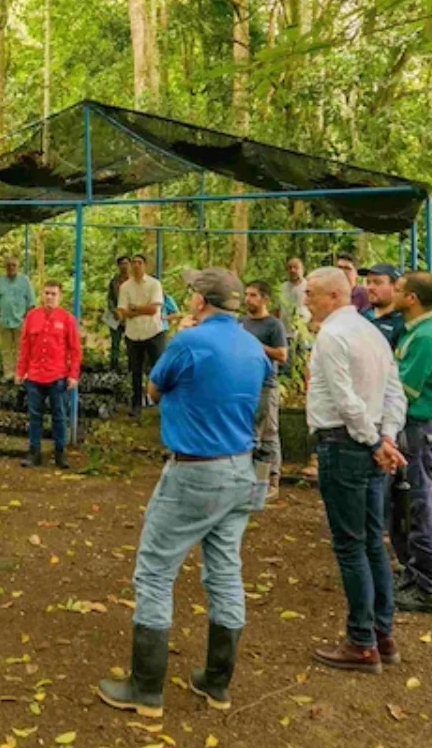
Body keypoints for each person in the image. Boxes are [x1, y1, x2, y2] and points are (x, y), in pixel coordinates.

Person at [97, 268, 268, 718]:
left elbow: (153, 388)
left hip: (194, 470)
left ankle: (147, 689)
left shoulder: (190, 343)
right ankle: (217, 683)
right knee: (225, 571)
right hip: (240, 470)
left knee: (155, 571)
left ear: (200, 301)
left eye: (192, 293)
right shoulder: (253, 345)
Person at [303, 267, 408, 675]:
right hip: (369, 445)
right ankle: (383, 633)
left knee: (351, 544)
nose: (306, 299)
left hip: (345, 446)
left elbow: (346, 401)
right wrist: (387, 437)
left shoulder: (333, 335)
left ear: (333, 295)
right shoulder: (372, 333)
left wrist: (374, 440)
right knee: (371, 542)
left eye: (311, 293)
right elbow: (393, 392)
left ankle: (362, 641)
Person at [391, 272, 432, 614]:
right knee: (403, 507)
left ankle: (429, 588)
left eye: (399, 290)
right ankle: (412, 573)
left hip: (420, 430)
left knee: (420, 506)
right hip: (410, 429)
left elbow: (403, 388)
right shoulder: (414, 332)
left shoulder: (427, 338)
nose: (393, 293)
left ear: (412, 298)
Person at [15, 282, 82, 468]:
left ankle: (60, 453)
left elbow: (75, 349)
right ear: (41, 295)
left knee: (59, 416)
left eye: (53, 294)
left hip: (57, 375)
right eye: (46, 293)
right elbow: (25, 346)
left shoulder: (67, 319)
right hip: (35, 376)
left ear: (60, 296)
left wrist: (73, 375)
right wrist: (21, 371)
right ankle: (34, 452)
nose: (50, 297)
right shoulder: (32, 317)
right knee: (34, 416)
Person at [241, 280, 289, 501]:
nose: (248, 299)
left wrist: (254, 345)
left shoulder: (273, 325)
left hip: (265, 386)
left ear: (265, 299)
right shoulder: (242, 322)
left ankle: (271, 481)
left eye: (253, 295)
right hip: (244, 385)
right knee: (249, 434)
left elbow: (282, 354)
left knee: (268, 436)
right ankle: (253, 481)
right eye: (247, 294)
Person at [118, 254, 168, 412]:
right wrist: (140, 310)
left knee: (158, 368)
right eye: (134, 263)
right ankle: (137, 403)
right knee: (135, 370)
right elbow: (121, 312)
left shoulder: (154, 284)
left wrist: (134, 309)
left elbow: (154, 309)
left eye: (139, 262)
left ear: (145, 266)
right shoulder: (125, 287)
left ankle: (160, 402)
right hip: (133, 334)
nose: (136, 265)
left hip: (153, 332)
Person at [0, 255, 34, 373]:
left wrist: (26, 320)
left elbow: (31, 302)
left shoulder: (25, 281)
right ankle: (9, 374)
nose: (11, 267)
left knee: (20, 349)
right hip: (4, 321)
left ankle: (20, 374)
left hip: (20, 321)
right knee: (6, 350)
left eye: (14, 265)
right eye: (8, 265)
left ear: (18, 267)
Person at [362, 264, 407, 349]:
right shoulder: (362, 317)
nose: (370, 287)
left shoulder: (402, 322)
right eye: (368, 282)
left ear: (395, 286)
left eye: (377, 282)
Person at [105, 256, 131, 373]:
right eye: (122, 264)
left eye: (126, 263)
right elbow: (110, 299)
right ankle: (114, 368)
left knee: (130, 344)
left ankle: (131, 368)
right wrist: (114, 310)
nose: (124, 266)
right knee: (115, 344)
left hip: (130, 317)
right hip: (115, 317)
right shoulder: (114, 281)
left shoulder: (133, 281)